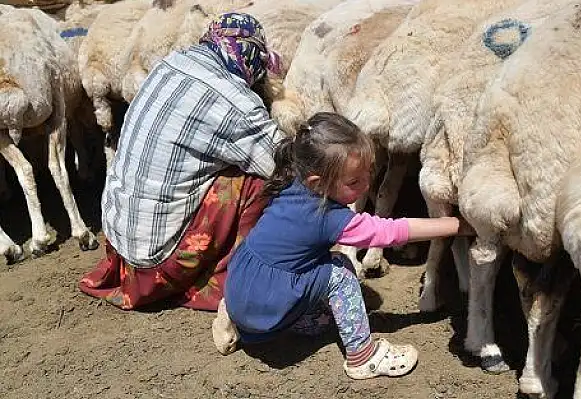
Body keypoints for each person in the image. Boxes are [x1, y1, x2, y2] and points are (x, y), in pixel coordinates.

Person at [212, 112, 473, 379]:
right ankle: (362, 356)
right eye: (354, 182)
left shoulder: (291, 181)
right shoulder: (329, 217)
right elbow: (392, 231)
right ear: (318, 182)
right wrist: (456, 225)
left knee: (320, 311)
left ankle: (234, 316)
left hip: (242, 286)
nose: (367, 185)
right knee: (340, 269)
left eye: (369, 173)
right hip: (266, 304)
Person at [78, 12, 284, 311]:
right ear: (252, 58)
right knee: (260, 180)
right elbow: (282, 163)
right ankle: (239, 276)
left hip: (119, 245)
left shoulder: (169, 64)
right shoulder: (235, 101)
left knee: (227, 157)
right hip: (157, 264)